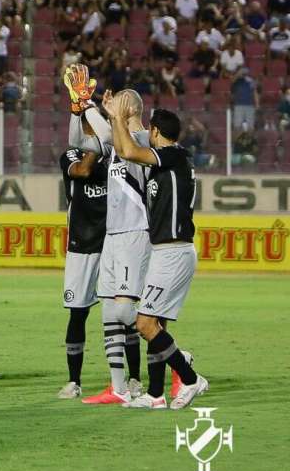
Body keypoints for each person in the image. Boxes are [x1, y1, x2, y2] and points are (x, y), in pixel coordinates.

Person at [102, 102, 208, 409]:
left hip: (173, 252)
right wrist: (118, 118)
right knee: (155, 324)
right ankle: (155, 394)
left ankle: (189, 376)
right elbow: (126, 149)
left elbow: (130, 152)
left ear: (157, 132)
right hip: (167, 250)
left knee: (145, 324)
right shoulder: (169, 160)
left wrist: (119, 117)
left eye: (150, 129)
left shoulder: (173, 155)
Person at [68, 66, 149, 405]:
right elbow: (77, 141)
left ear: (130, 109)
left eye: (118, 103)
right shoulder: (114, 143)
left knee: (128, 314)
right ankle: (117, 387)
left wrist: (89, 104)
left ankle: (175, 356)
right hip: (111, 236)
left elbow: (113, 135)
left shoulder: (141, 141)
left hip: (134, 233)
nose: (111, 104)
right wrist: (79, 109)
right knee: (107, 312)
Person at [54, 116, 108, 399]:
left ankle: (133, 380)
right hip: (81, 246)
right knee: (78, 313)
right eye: (89, 126)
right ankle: (74, 382)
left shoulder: (115, 155)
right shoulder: (71, 155)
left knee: (123, 313)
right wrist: (98, 145)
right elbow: (84, 171)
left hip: (113, 243)